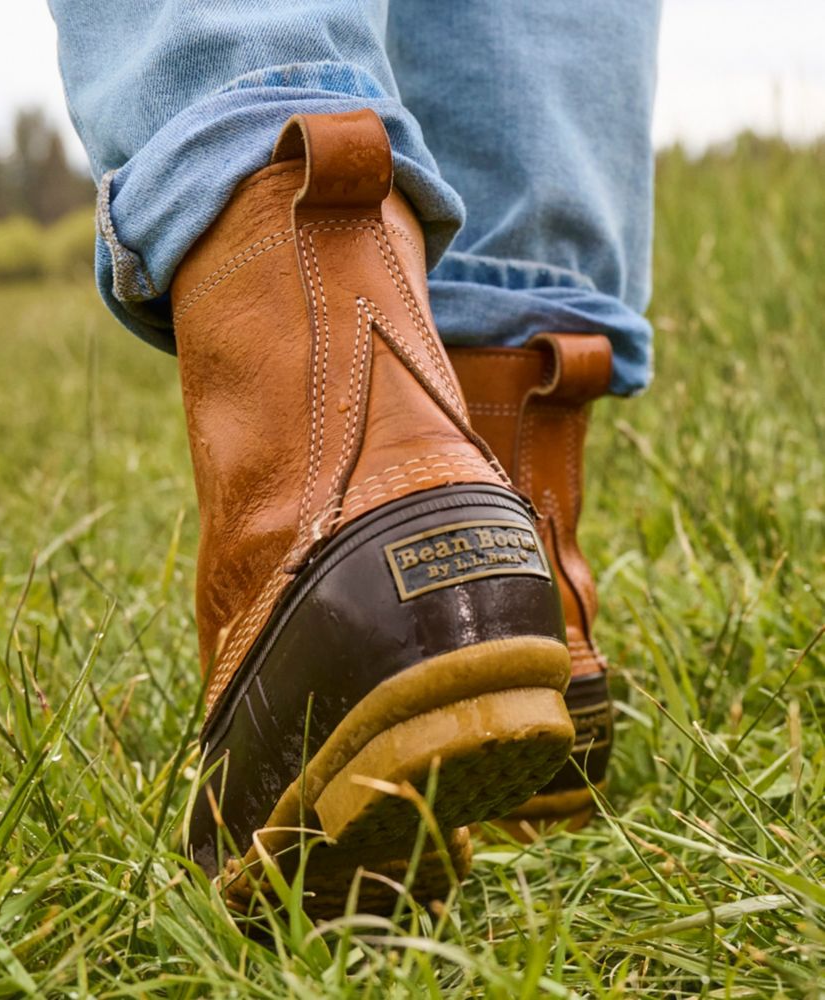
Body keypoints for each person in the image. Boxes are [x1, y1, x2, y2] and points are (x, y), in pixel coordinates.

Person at [47, 0, 662, 914]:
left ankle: (342, 544)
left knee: (260, 77)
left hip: (340, 546)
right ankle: (523, 599)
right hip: (509, 541)